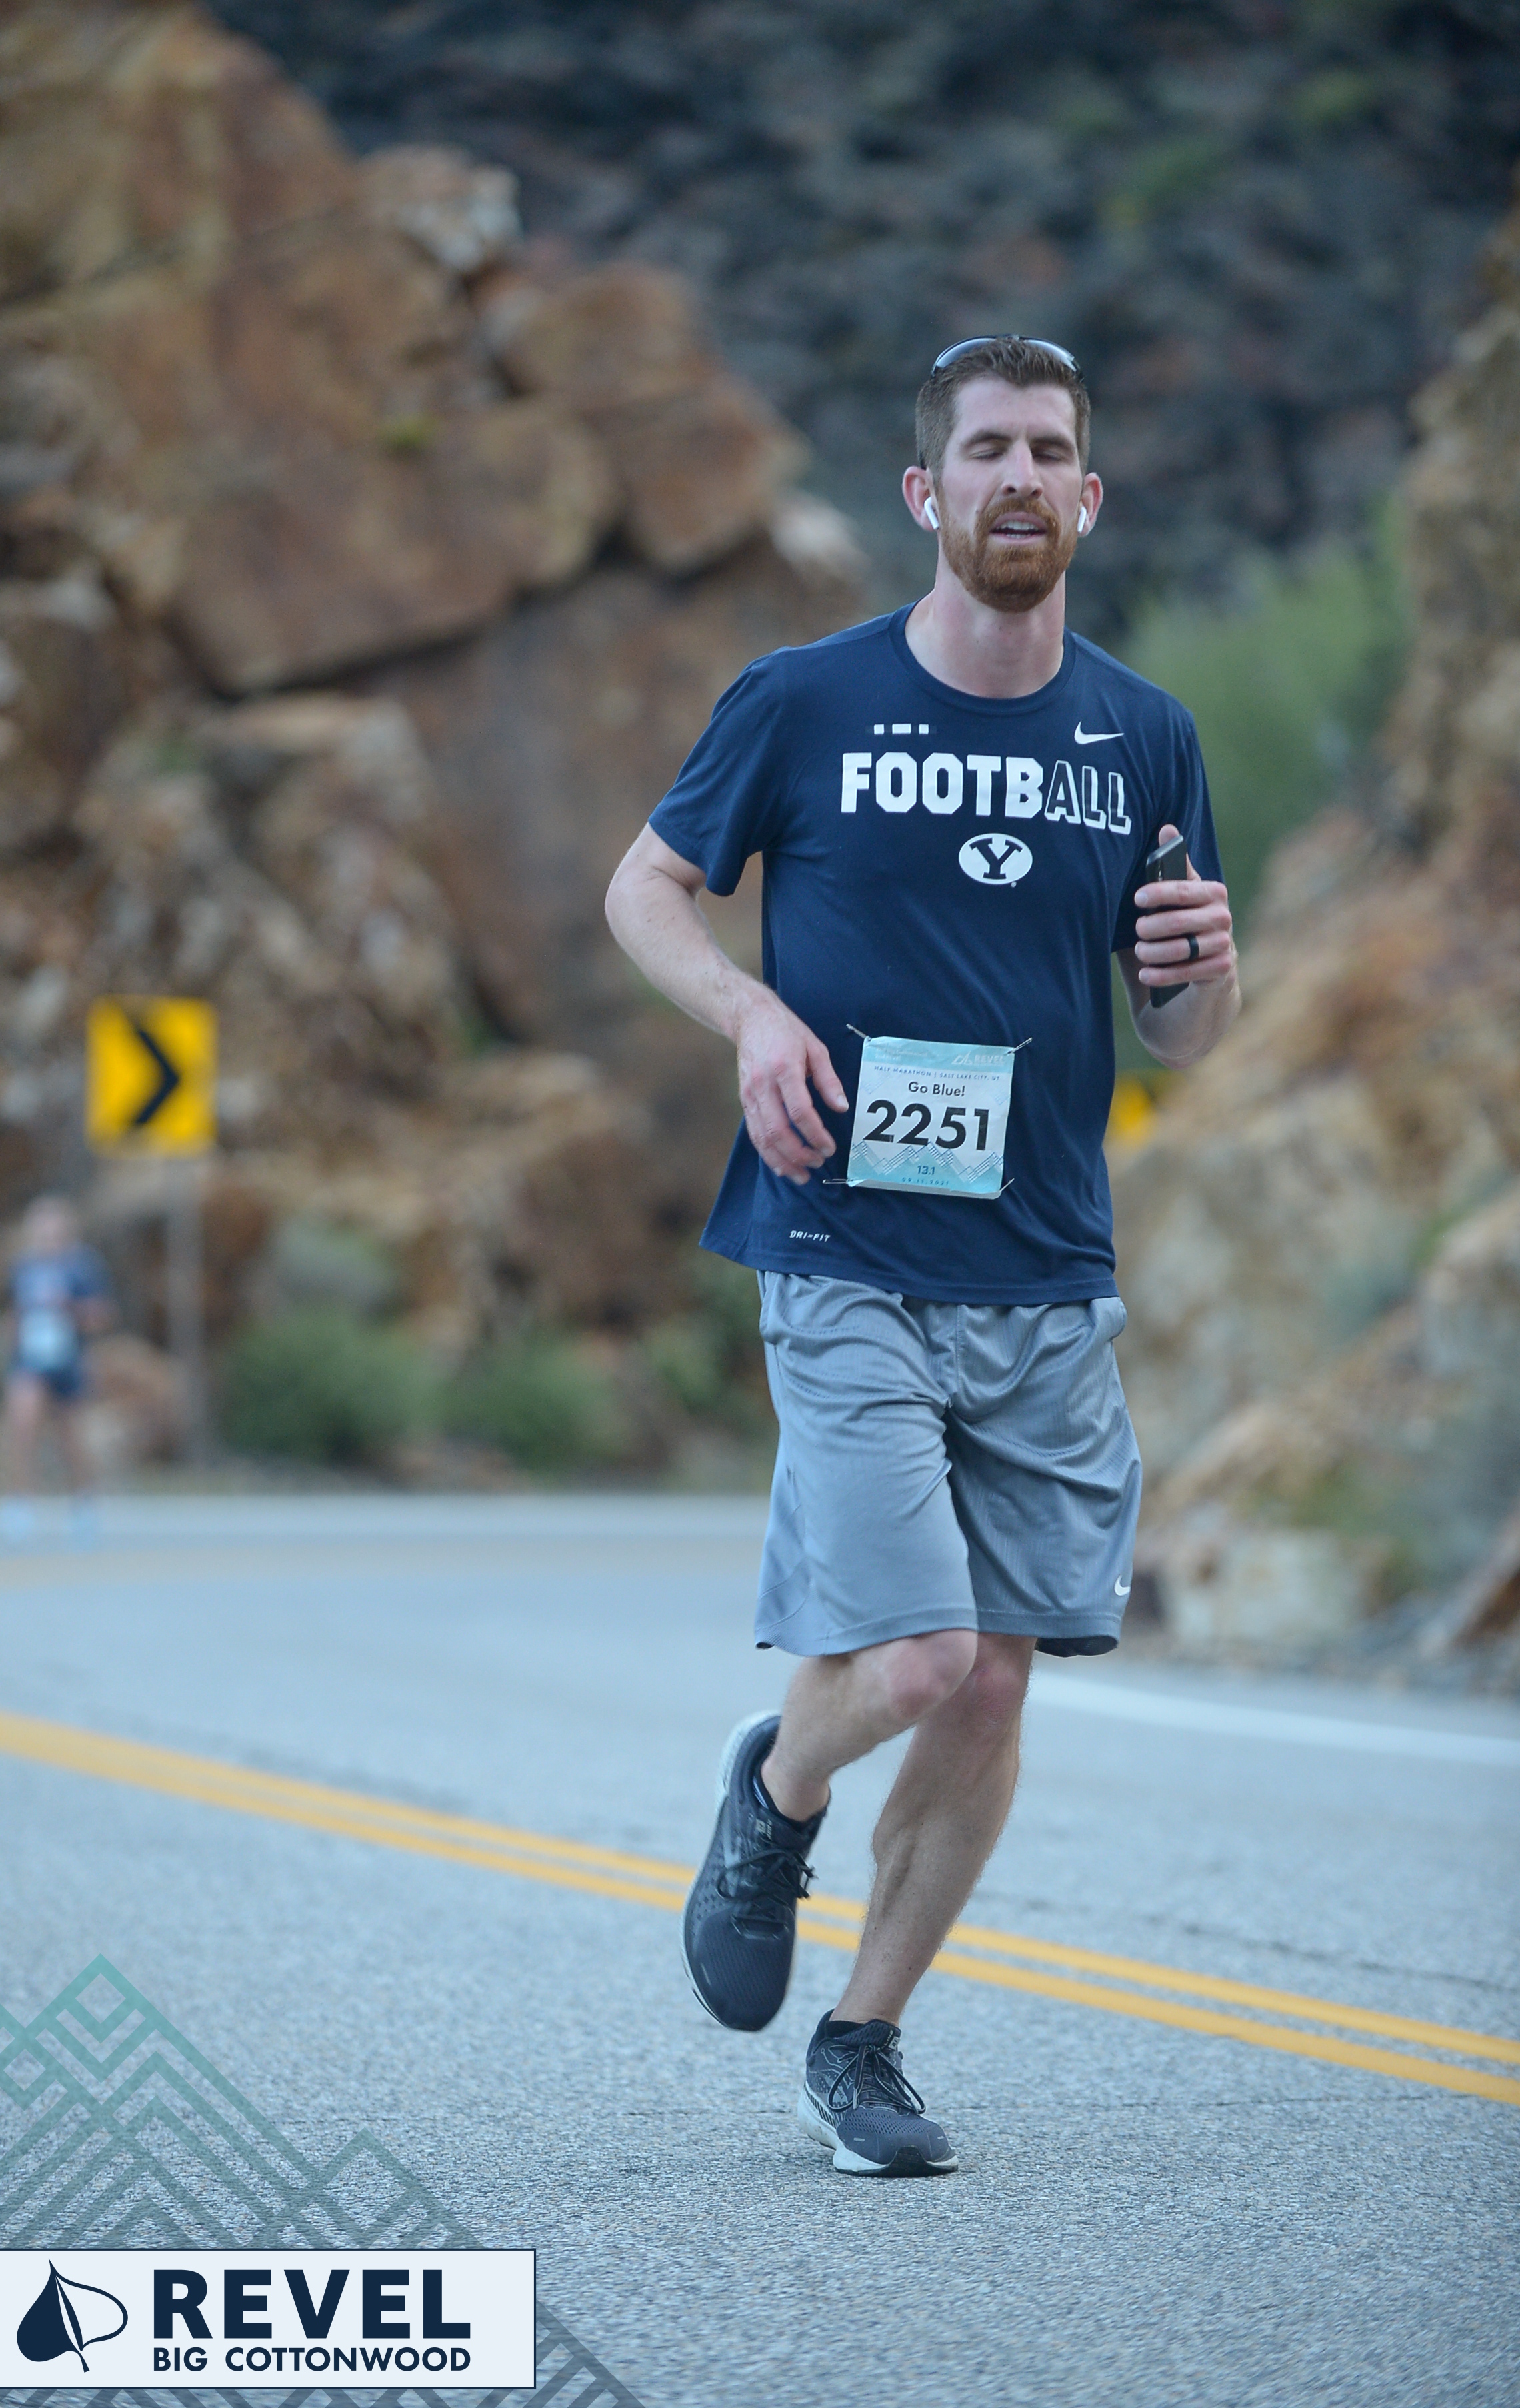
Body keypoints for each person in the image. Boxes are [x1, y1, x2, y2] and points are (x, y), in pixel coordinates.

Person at [605, 335, 1239, 2177]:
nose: (1016, 477)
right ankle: (776, 1787)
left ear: (1086, 498)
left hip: (1043, 1271)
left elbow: (1180, 1031)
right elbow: (647, 889)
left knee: (999, 1677)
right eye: (985, 450)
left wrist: (1198, 982)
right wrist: (748, 1016)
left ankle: (863, 2041)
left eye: (1047, 450)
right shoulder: (804, 700)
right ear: (926, 491)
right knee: (917, 1657)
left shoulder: (1143, 738)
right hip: (843, 1248)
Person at [3, 1196, 113, 1539]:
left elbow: (102, 1315)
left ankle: (83, 1501)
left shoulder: (83, 1266)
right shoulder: (23, 1267)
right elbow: (13, 1311)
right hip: (30, 1360)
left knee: (71, 1438)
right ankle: (22, 1501)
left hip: (69, 1360)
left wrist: (70, 1309)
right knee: (23, 1426)